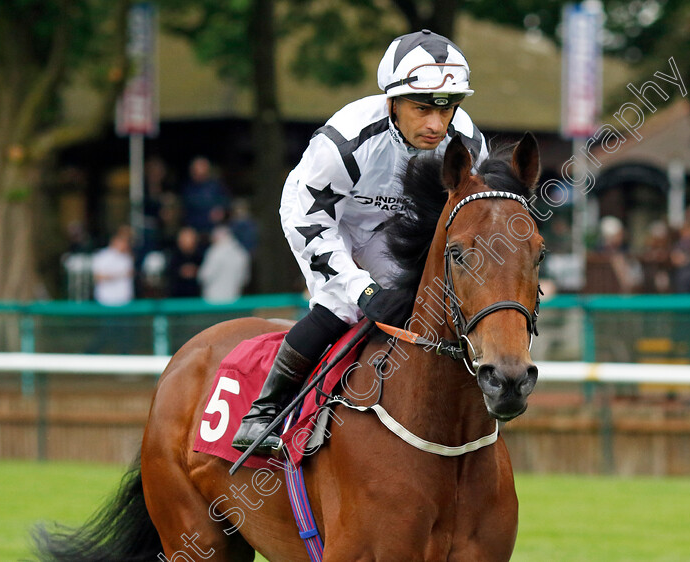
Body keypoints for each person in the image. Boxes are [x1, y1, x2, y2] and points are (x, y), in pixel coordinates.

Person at [232, 29, 487, 454]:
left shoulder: (467, 145)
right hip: (321, 219)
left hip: (390, 225)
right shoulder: (346, 141)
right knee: (343, 306)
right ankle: (262, 413)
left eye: (447, 110)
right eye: (422, 109)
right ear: (391, 101)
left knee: (416, 306)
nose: (435, 125)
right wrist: (361, 288)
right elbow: (313, 223)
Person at [180, 156, 233, 235]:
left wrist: (221, 211)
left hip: (215, 227)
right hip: (192, 227)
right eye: (196, 168)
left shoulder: (216, 186)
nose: (199, 171)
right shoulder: (187, 188)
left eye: (202, 167)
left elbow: (227, 203)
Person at [198, 225, 251, 302]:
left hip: (213, 300)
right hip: (234, 299)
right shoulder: (241, 253)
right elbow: (245, 280)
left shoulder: (215, 252)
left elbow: (204, 276)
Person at [166, 226, 205, 297]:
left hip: (197, 299)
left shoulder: (202, 257)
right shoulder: (173, 258)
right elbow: (169, 276)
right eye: (184, 238)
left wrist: (196, 271)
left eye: (190, 238)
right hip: (176, 299)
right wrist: (180, 272)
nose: (187, 241)